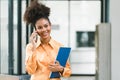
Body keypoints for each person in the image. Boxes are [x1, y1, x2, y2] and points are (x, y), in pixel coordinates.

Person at [23, 0, 71, 80]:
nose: (44, 29)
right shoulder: (30, 47)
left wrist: (61, 69)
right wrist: (34, 47)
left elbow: (68, 73)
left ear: (50, 25)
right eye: (40, 27)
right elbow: (30, 70)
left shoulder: (59, 47)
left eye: (46, 26)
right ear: (35, 30)